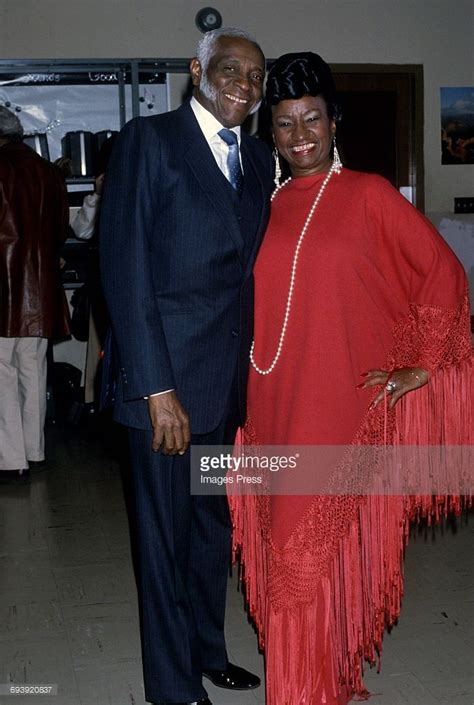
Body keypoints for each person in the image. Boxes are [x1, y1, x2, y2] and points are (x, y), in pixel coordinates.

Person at [229, 53, 473, 705]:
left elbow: (444, 271)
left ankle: (308, 686)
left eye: (311, 118)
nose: (299, 134)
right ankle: (318, 673)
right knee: (283, 555)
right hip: (267, 406)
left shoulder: (368, 195)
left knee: (309, 555)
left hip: (339, 406)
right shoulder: (260, 202)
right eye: (284, 123)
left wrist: (420, 361)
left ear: (334, 123)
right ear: (270, 133)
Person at [99, 28, 273, 705]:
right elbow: (125, 268)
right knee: (164, 539)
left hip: (225, 387)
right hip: (162, 391)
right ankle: (172, 687)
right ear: (198, 70)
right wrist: (156, 386)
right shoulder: (148, 142)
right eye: (232, 69)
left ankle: (208, 650)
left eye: (256, 77)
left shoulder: (258, 159)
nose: (244, 85)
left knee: (209, 532)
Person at [0, 106, 70, 484]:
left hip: (3, 289)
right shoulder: (49, 172)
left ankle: (10, 460)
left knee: (2, 374)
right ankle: (34, 450)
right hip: (40, 290)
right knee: (32, 371)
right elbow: (61, 232)